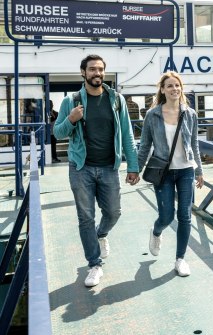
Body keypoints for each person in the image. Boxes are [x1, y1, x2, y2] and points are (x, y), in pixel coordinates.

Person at [54, 54, 140, 288]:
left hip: (109, 168)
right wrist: (71, 120)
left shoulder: (116, 100)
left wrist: (133, 165)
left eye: (100, 69)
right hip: (81, 169)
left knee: (113, 212)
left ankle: (101, 234)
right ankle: (94, 264)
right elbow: (58, 133)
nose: (97, 73)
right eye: (92, 69)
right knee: (85, 218)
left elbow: (128, 135)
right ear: (83, 73)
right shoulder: (70, 102)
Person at [137, 71, 204, 277]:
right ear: (163, 90)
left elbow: (194, 144)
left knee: (185, 216)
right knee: (166, 216)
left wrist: (199, 169)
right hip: (163, 172)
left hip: (186, 171)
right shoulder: (153, 115)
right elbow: (145, 145)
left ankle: (180, 259)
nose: (175, 89)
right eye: (170, 86)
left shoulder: (190, 114)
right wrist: (135, 170)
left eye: (177, 85)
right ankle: (156, 232)